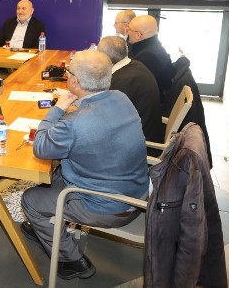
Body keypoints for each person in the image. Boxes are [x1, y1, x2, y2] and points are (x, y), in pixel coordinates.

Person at [20, 50, 149, 281]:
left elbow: (40, 146)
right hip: (138, 195)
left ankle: (72, 260)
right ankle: (46, 226)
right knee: (56, 174)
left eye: (69, 72)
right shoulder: (121, 97)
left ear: (74, 81)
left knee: (30, 200)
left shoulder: (74, 123)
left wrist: (58, 107)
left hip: (108, 208)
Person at [98, 36, 164, 143]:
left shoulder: (120, 81)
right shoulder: (135, 65)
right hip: (146, 131)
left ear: (105, 57)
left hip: (139, 143)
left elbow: (106, 120)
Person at [128, 15, 173, 105]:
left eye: (129, 30)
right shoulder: (155, 49)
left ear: (138, 35)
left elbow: (132, 87)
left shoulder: (147, 57)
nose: (127, 33)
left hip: (148, 105)